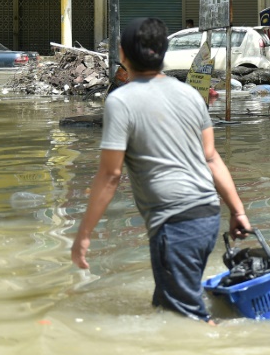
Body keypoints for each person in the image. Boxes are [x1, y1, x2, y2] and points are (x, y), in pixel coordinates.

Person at [71, 17, 250, 322]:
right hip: (207, 215)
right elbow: (211, 158)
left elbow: (110, 175)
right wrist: (238, 211)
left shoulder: (121, 101)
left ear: (122, 55)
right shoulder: (190, 94)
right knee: (166, 306)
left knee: (187, 320)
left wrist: (84, 235)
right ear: (163, 52)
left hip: (175, 223)